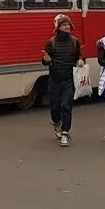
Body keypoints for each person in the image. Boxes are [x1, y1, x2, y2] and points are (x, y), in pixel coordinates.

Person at [42, 14, 84, 147]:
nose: (67, 26)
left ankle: (65, 132)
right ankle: (56, 123)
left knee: (66, 106)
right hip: (55, 80)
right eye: (64, 24)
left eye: (68, 24)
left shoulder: (75, 41)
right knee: (55, 107)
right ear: (58, 27)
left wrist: (80, 61)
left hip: (69, 80)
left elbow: (79, 56)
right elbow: (45, 61)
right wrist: (46, 60)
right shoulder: (51, 42)